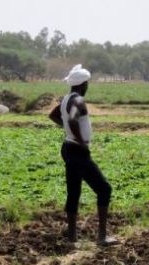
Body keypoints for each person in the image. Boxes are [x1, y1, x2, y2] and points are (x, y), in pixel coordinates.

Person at [49, 64, 118, 246]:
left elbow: (54, 115)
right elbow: (72, 120)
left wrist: (69, 132)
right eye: (87, 84)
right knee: (104, 189)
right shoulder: (78, 100)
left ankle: (72, 238)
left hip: (68, 148)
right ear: (82, 85)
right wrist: (80, 140)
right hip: (77, 151)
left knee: (74, 192)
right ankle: (102, 237)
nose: (87, 87)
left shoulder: (66, 99)